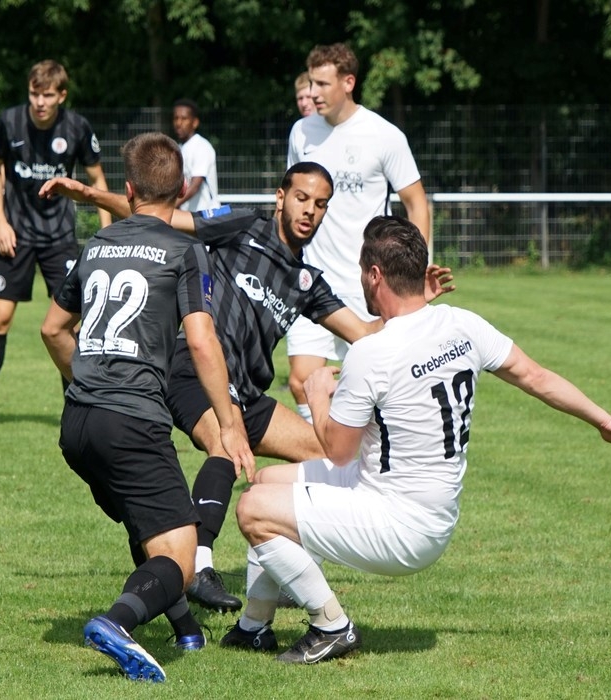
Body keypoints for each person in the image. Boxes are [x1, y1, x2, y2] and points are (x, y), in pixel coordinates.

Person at [221, 215, 611, 665]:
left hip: (397, 523)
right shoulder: (462, 325)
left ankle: (331, 625)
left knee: (253, 509)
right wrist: (603, 419)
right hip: (426, 507)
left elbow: (337, 451)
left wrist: (315, 396)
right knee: (268, 482)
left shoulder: (371, 354)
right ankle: (254, 627)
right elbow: (536, 376)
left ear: (375, 275)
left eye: (362, 271)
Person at [38, 165, 454, 613]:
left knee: (323, 453)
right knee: (226, 441)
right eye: (301, 198)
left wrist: (414, 300)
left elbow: (365, 333)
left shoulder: (307, 282)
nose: (309, 211)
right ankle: (199, 565)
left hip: (247, 393)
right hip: (196, 371)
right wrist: (90, 195)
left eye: (320, 204)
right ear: (280, 197)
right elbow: (162, 214)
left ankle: (284, 573)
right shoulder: (243, 225)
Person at [40, 132, 253, 683]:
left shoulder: (96, 245)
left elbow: (53, 329)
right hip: (132, 421)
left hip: (77, 423)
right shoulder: (184, 249)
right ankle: (117, 623)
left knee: (152, 528)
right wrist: (229, 424)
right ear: (181, 192)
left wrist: (85, 382)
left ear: (129, 190)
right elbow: (201, 341)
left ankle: (185, 629)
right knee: (182, 557)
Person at [0, 59, 111, 434]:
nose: (40, 102)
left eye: (48, 95)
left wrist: (106, 235)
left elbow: (97, 180)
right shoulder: (10, 121)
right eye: (35, 94)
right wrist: (0, 221)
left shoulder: (77, 127)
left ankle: (76, 413)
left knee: (69, 327)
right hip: (15, 237)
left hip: (59, 239)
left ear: (61, 96)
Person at [286, 43, 431, 423]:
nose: (313, 93)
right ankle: (324, 453)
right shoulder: (301, 132)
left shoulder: (384, 135)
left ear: (348, 82)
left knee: (374, 386)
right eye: (311, 83)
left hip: (368, 283)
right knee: (302, 381)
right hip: (312, 280)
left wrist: (415, 268)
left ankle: (366, 453)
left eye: (322, 84)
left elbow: (416, 202)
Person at [172, 99, 219, 212]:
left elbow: (194, 186)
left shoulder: (201, 146)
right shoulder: (178, 148)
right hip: (188, 215)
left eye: (184, 119)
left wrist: (170, 206)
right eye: (176, 118)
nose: (179, 123)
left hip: (206, 215)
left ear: (195, 122)